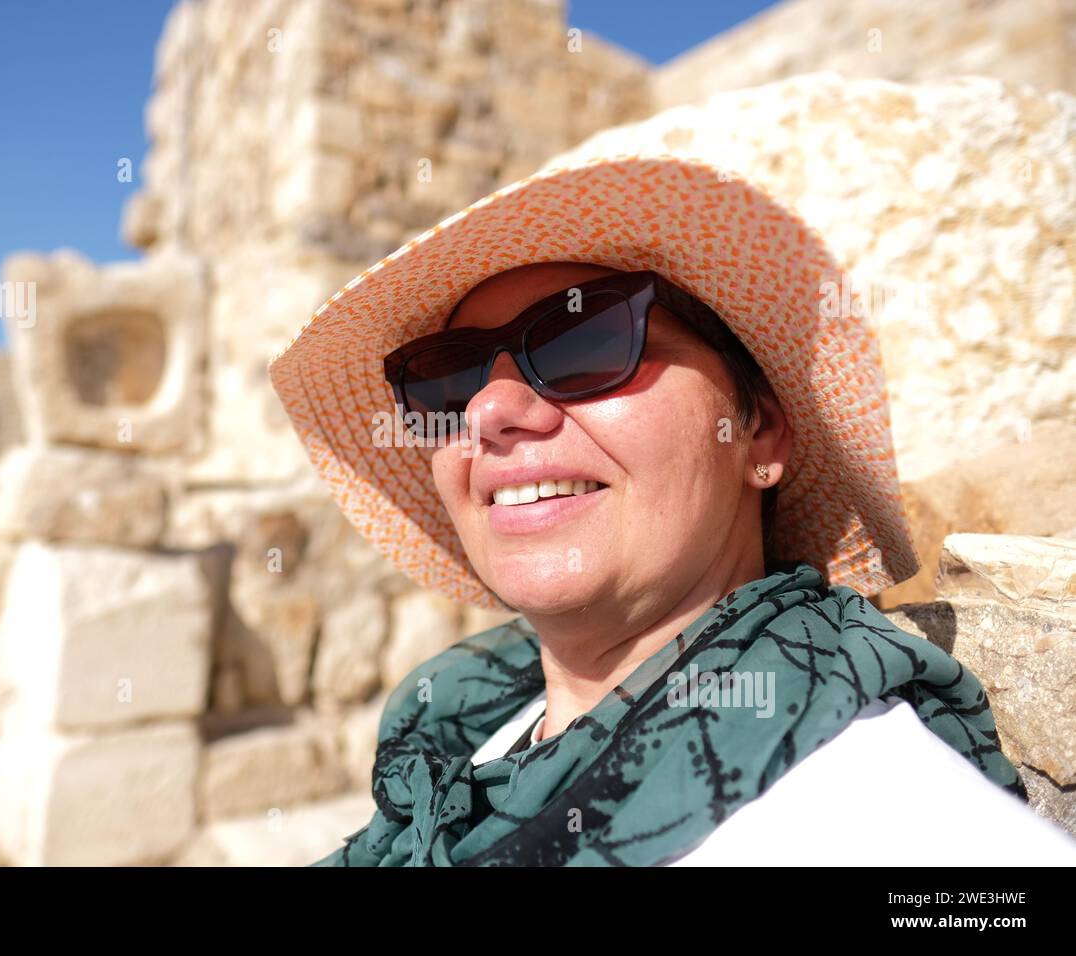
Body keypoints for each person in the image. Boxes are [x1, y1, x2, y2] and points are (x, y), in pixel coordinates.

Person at [266, 140, 1076, 866]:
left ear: (758, 436)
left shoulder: (890, 819)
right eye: (448, 377)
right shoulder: (457, 740)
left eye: (584, 343)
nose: (486, 413)